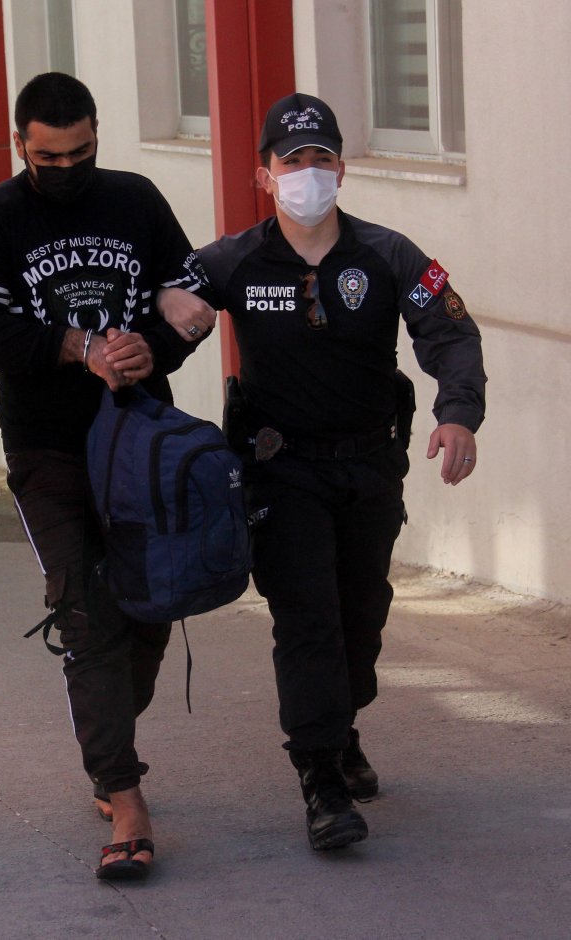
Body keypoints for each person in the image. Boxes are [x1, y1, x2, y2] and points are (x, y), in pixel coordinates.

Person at [160, 93, 486, 851]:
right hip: (281, 473)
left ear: (342, 167)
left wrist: (458, 412)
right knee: (306, 619)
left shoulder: (387, 254)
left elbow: (449, 332)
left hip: (370, 469)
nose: (308, 173)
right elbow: (170, 315)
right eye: (291, 161)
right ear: (265, 175)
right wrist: (168, 300)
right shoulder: (235, 259)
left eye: (321, 159)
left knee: (360, 617)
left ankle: (342, 727)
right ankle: (321, 780)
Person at [0, 72, 204, 881]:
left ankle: (108, 741)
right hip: (47, 448)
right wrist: (74, 346)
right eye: (49, 156)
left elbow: (187, 291)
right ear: (20, 144)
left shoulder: (136, 199)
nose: (67, 168)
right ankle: (124, 795)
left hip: (140, 440)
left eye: (81, 152)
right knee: (85, 611)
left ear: (98, 137)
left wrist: (154, 343)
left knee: (150, 609)